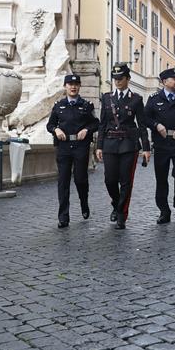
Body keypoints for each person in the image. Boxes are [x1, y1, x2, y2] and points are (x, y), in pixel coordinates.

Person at [95, 63, 150, 230]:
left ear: (128, 79)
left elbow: (142, 125)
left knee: (126, 182)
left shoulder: (136, 99)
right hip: (110, 144)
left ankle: (121, 214)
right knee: (110, 180)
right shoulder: (106, 98)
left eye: (121, 78)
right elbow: (102, 124)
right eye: (115, 78)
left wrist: (146, 148)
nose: (117, 81)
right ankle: (115, 203)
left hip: (129, 145)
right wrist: (99, 145)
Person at [46, 74, 99, 229]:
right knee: (63, 181)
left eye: (76, 84)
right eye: (70, 84)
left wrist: (86, 129)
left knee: (80, 179)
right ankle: (63, 217)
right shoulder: (58, 105)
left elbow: (96, 123)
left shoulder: (86, 105)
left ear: (79, 86)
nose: (73, 87)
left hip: (81, 146)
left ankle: (84, 203)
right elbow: (49, 125)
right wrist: (55, 130)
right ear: (65, 87)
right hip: (63, 147)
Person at [144, 68, 175, 224]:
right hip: (161, 144)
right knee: (161, 179)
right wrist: (156, 125)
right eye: (174, 79)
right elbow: (145, 118)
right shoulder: (154, 99)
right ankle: (164, 211)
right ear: (165, 82)